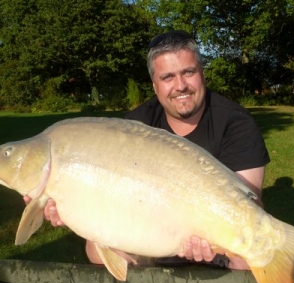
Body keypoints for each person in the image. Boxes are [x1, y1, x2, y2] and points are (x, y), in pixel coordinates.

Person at [28, 30, 270, 270]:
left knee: (248, 254)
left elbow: (252, 207)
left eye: (188, 72)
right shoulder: (136, 125)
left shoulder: (235, 122)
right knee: (95, 251)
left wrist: (215, 238)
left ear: (202, 74)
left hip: (213, 234)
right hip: (150, 231)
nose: (180, 85)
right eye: (167, 77)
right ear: (155, 85)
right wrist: (70, 210)